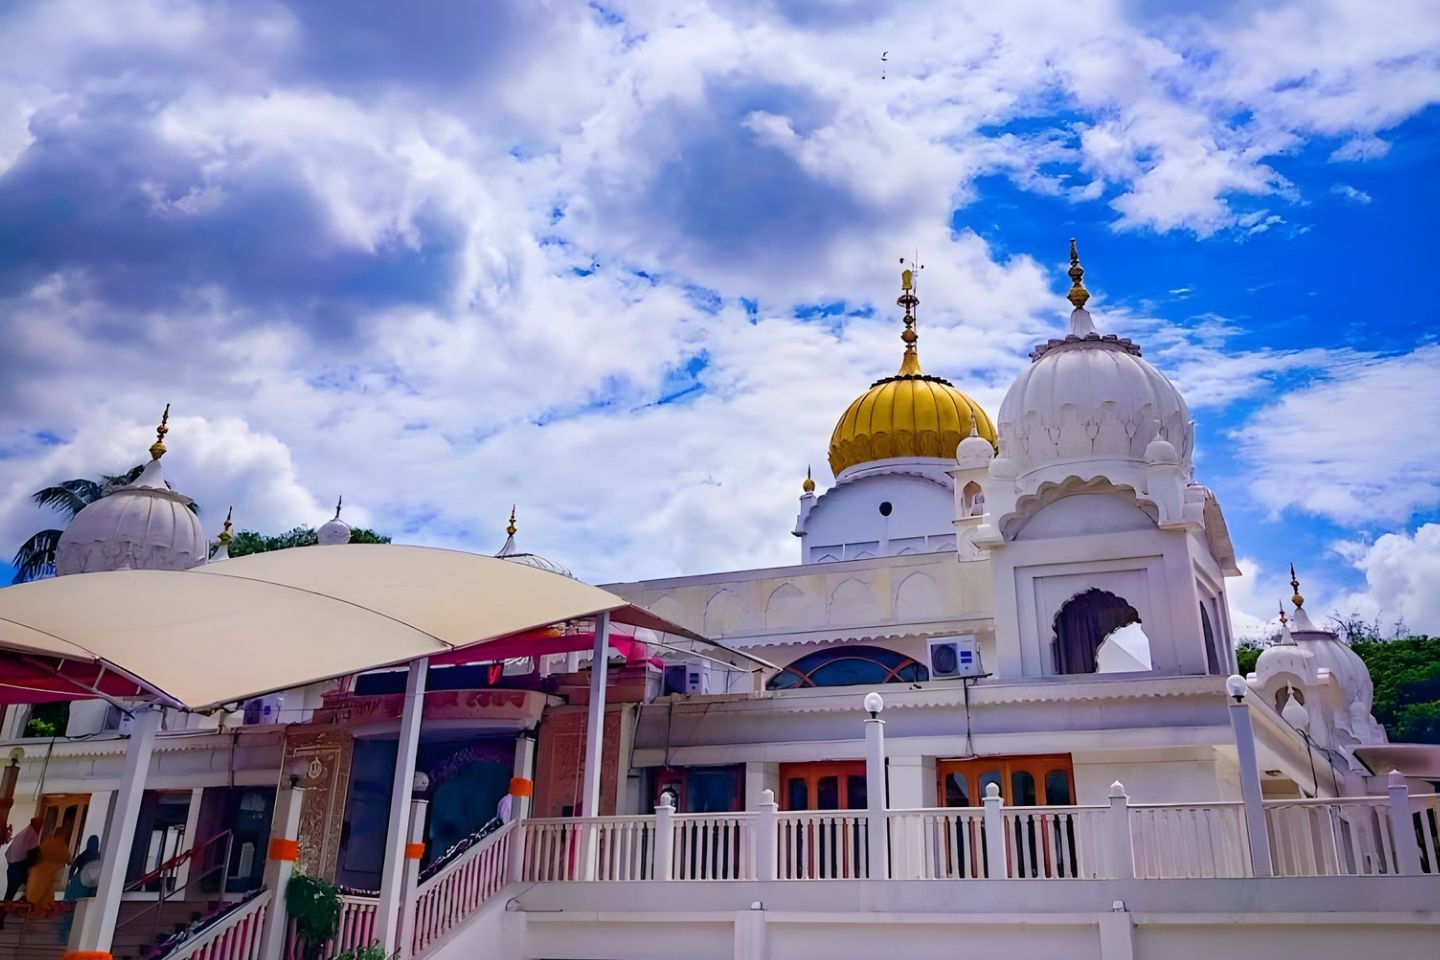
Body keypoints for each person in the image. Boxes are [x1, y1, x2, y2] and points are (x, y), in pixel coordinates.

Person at [57, 836, 100, 944]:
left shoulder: (83, 855)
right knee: (77, 911)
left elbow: (72, 868)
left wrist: (70, 880)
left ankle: (64, 935)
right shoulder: (98, 856)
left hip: (78, 883)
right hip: (86, 886)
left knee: (70, 911)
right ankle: (70, 936)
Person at [25, 832, 70, 918]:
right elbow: (68, 858)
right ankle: (42, 909)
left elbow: (38, 852)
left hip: (41, 870)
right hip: (48, 871)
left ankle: (39, 909)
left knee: (40, 890)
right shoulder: (61, 846)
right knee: (45, 890)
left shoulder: (48, 843)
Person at [3, 817, 42, 901]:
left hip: (13, 866)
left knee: (11, 893)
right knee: (13, 893)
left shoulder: (25, 832)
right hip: (18, 867)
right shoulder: (31, 834)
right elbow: (33, 853)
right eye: (40, 824)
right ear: (36, 824)